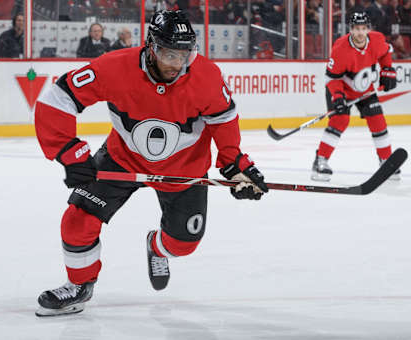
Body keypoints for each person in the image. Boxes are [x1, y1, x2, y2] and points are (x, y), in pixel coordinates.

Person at [33, 10, 268, 317]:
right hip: (121, 159)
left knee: (183, 243)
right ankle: (79, 286)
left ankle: (156, 247)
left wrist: (234, 163)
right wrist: (67, 150)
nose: (177, 64)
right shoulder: (115, 67)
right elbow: (58, 97)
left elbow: (223, 119)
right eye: (170, 54)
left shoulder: (206, 76)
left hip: (184, 170)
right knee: (77, 220)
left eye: (185, 54)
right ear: (152, 46)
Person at [311, 12, 400, 182]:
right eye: (356, 29)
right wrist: (337, 97)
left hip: (365, 89)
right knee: (340, 121)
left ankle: (386, 161)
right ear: (350, 30)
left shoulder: (377, 39)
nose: (360, 33)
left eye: (363, 28)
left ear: (368, 29)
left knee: (378, 120)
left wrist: (388, 69)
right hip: (340, 89)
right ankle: (320, 161)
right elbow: (332, 78)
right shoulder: (340, 49)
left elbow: (386, 52)